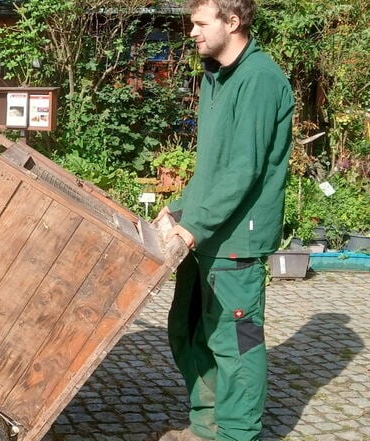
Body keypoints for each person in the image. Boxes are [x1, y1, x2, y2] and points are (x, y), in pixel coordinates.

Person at [154, 0, 294, 440]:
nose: (191, 32)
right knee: (187, 329)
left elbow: (244, 168)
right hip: (204, 232)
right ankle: (206, 425)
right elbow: (212, 165)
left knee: (238, 345)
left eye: (200, 23)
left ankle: (236, 434)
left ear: (232, 22)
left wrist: (196, 225)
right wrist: (181, 209)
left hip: (237, 240)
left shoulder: (260, 79)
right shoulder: (216, 75)